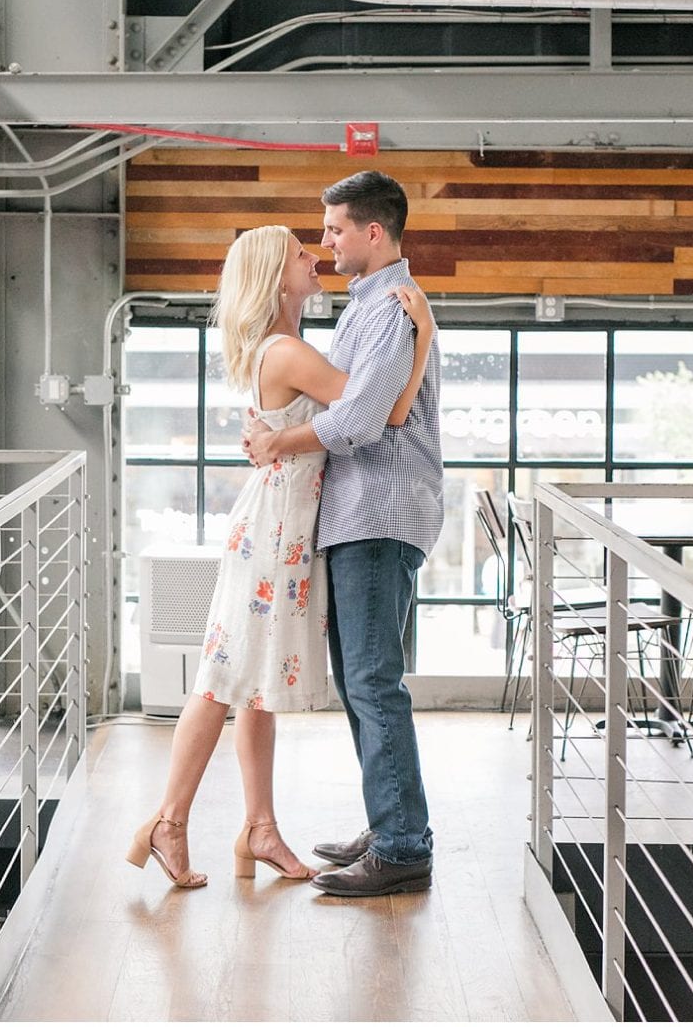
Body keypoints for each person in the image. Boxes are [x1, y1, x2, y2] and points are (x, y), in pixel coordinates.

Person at [127, 223, 435, 888]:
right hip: (273, 532)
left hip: (282, 527)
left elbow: (357, 411)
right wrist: (425, 340)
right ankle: (168, 823)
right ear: (276, 275)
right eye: (302, 254)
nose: (315, 257)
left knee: (251, 683)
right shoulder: (288, 352)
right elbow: (378, 412)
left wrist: (281, 439)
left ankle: (259, 827)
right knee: (223, 676)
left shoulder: (289, 348)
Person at [243, 170, 444, 898]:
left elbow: (360, 423)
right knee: (364, 683)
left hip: (379, 513)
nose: (324, 241)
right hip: (359, 515)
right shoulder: (368, 310)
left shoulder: (390, 311)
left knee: (371, 681)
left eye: (332, 229)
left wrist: (279, 441)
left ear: (372, 232)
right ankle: (393, 827)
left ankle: (401, 845)